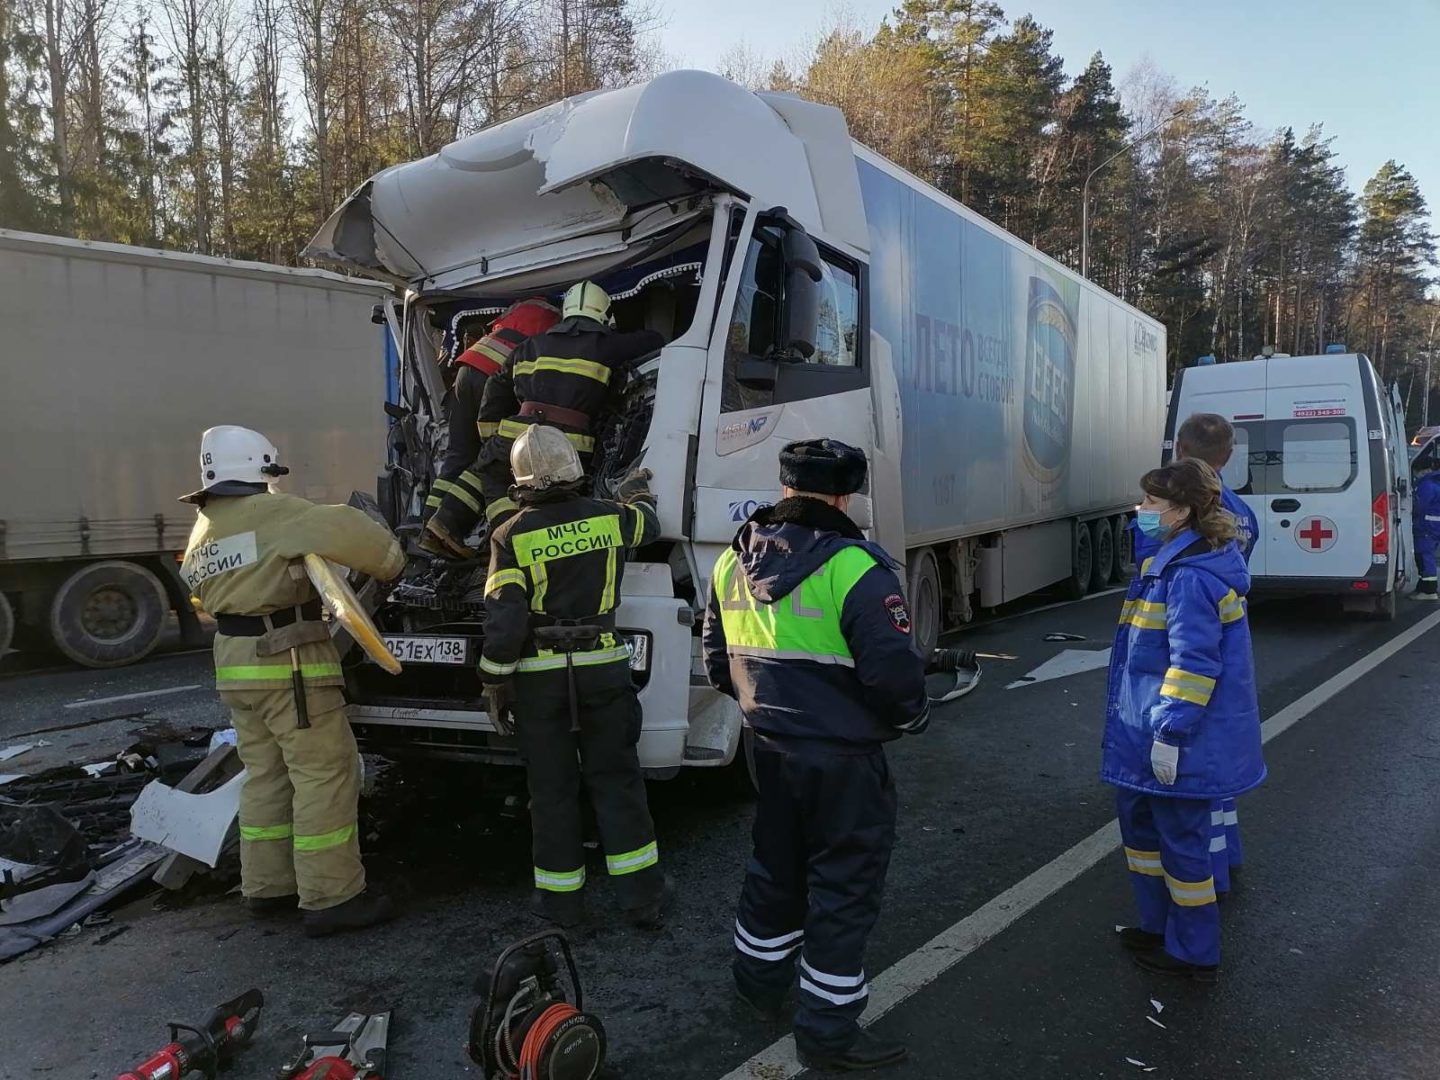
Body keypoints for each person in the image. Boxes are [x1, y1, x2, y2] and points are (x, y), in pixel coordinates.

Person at [702, 439, 930, 1072]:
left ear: (784, 488)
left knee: (775, 864)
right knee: (844, 882)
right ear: (844, 496)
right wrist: (913, 715)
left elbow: (717, 663)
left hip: (765, 747)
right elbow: (893, 675)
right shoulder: (858, 568)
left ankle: (758, 985)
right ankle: (827, 1031)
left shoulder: (732, 561)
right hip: (842, 757)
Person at [179, 426, 406, 936]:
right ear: (263, 471)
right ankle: (332, 897)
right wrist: (395, 557)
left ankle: (267, 887)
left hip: (235, 667)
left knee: (266, 776)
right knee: (325, 773)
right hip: (289, 666)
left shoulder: (203, 527)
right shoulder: (280, 515)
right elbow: (374, 548)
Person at [478, 424, 665, 929]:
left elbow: (505, 616)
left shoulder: (510, 533)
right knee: (618, 781)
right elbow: (648, 524)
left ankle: (561, 904)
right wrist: (636, 493)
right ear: (574, 473)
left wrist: (495, 680)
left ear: (522, 483)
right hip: (603, 668)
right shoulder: (610, 518)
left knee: (552, 790)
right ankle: (642, 897)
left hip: (540, 680)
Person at [1104, 458, 1265, 982]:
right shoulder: (1173, 564)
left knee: (1183, 847)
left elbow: (1193, 665)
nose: (1141, 510)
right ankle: (1158, 928)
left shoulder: (1191, 577)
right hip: (1145, 729)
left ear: (1181, 511)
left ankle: (1192, 953)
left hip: (1173, 737)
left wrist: (1170, 735)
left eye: (1150, 503)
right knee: (1145, 838)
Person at [1133, 412, 1258, 893]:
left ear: (1180, 449)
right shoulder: (1239, 512)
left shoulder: (1176, 528)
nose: (1142, 508)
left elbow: (1147, 564)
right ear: (1226, 456)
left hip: (1177, 647)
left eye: (1148, 501)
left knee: (1186, 786)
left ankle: (1196, 898)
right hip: (1224, 641)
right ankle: (1224, 865)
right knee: (1214, 779)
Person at [471, 280, 664, 532]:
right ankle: (523, 533)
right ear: (604, 315)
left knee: (490, 473)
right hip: (568, 447)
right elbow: (655, 339)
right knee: (560, 501)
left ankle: (505, 532)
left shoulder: (530, 345)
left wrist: (490, 437)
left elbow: (494, 389)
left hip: (515, 436)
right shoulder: (607, 345)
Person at [423, 298, 560, 548]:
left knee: (459, 455)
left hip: (467, 369)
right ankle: (499, 536)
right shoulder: (554, 320)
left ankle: (429, 522)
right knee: (495, 460)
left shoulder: (517, 309)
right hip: (495, 378)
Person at [1412, 459, 1440, 600]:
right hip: (1433, 526)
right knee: (1425, 556)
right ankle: (1423, 586)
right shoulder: (1434, 483)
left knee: (1424, 556)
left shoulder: (1427, 485)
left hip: (1426, 527)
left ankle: (1429, 591)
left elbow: (1419, 506)